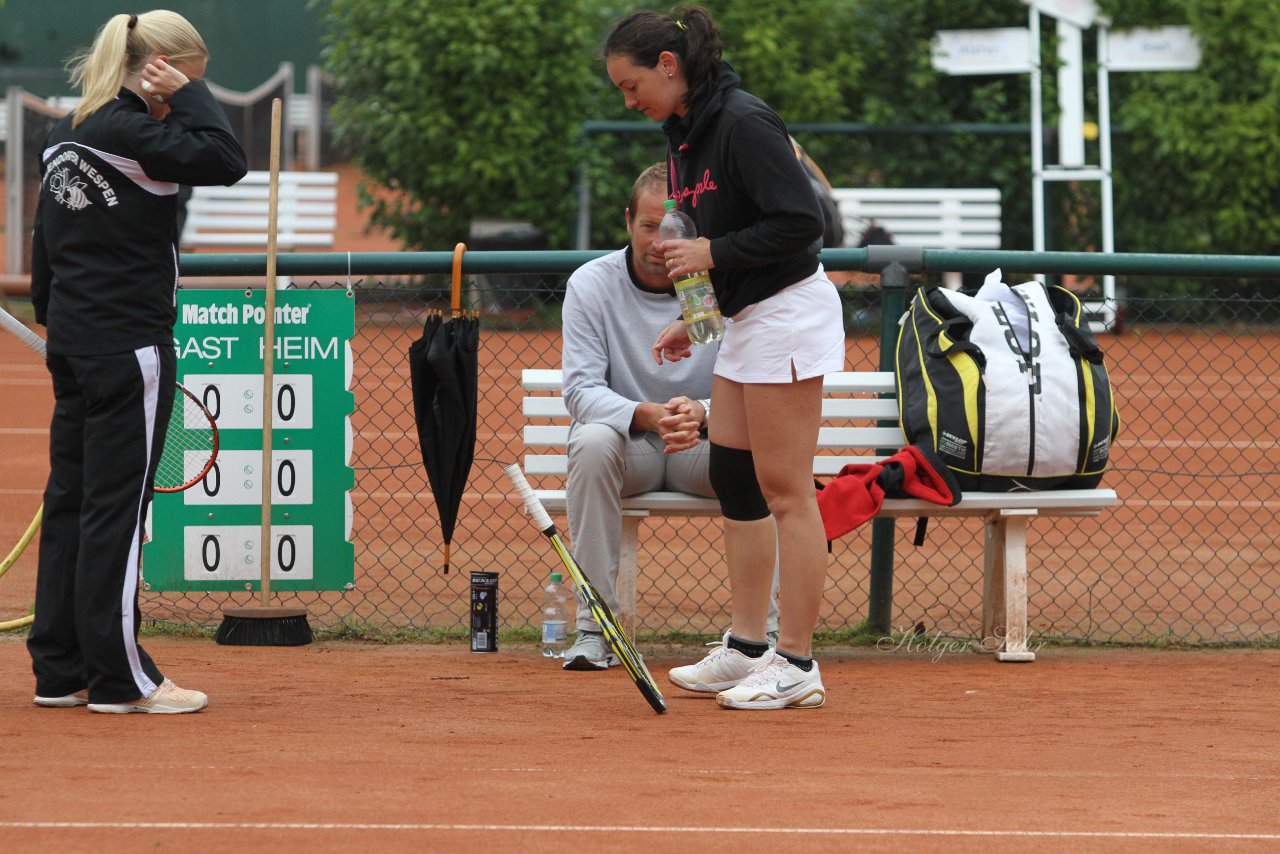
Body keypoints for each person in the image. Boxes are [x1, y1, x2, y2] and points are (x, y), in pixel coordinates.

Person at [603, 6, 846, 709]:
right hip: (746, 318)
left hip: (789, 315)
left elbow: (803, 223)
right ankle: (746, 648)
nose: (629, 100)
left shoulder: (742, 121)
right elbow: (726, 230)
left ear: (669, 67)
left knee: (787, 492)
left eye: (632, 84)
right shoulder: (686, 134)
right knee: (738, 481)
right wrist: (695, 313)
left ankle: (796, 662)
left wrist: (711, 255)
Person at [27, 11, 247, 714]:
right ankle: (122, 679)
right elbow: (225, 159)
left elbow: (45, 238)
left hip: (74, 340)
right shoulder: (133, 130)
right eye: (185, 75)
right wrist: (188, 95)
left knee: (70, 503)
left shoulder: (68, 128)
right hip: (128, 346)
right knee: (115, 514)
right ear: (160, 67)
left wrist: (53, 314)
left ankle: (59, 668)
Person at [559, 162, 780, 671]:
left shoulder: (724, 286)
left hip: (705, 448)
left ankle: (760, 636)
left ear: (697, 235)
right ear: (627, 222)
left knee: (762, 457)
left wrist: (700, 411)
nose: (661, 242)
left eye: (675, 229)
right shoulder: (591, 285)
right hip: (628, 449)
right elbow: (580, 390)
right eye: (649, 226)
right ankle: (596, 629)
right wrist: (645, 413)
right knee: (590, 443)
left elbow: (752, 381)